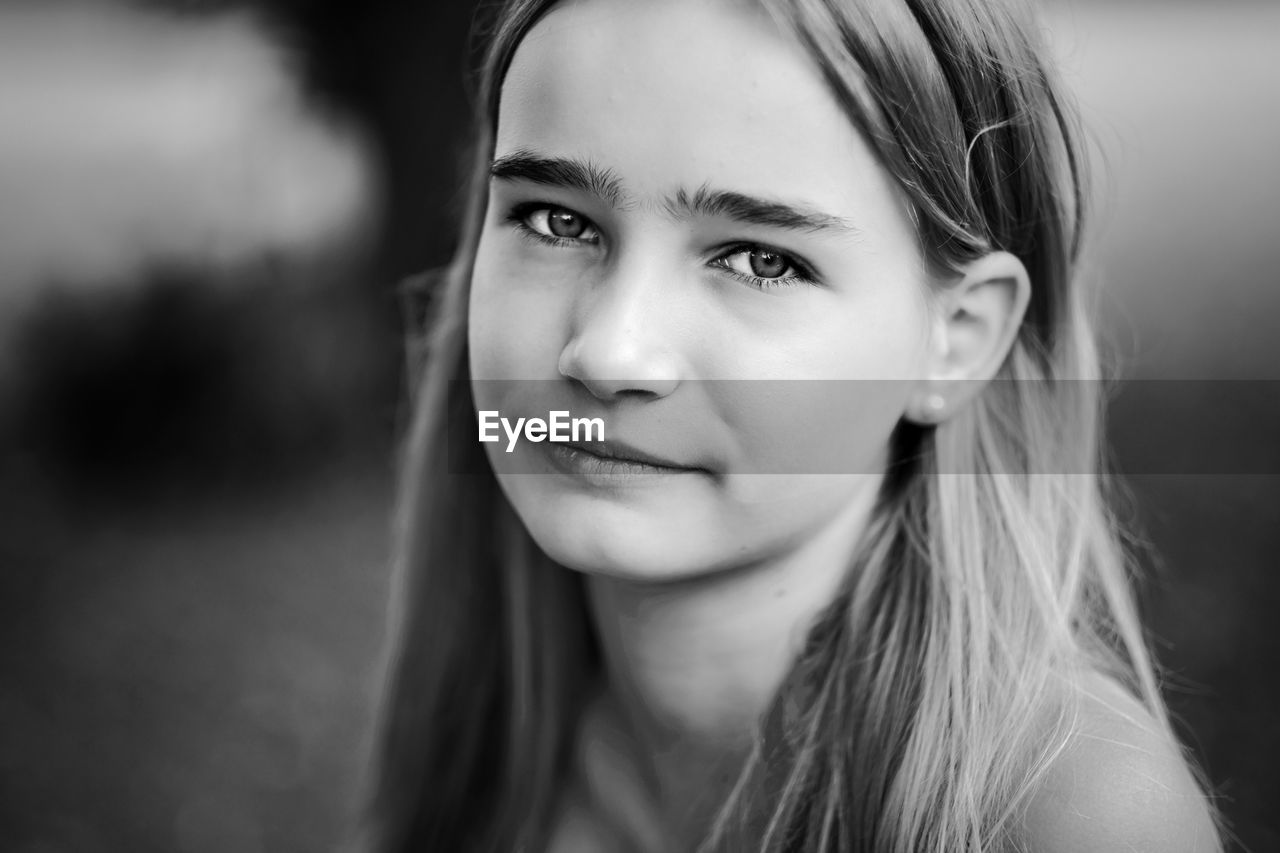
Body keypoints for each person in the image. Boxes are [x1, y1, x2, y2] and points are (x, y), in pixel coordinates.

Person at [361, 0, 1223, 850]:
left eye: (759, 260)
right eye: (558, 220)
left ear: (956, 341)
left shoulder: (1072, 821)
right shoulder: (483, 746)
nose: (610, 351)